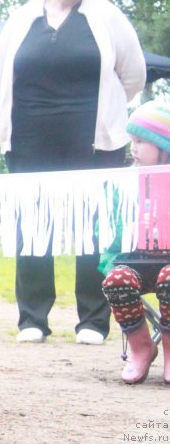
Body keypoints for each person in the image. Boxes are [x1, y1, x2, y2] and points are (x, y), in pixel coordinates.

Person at [0, 0, 146, 345]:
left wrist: (108, 110)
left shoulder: (107, 16)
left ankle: (93, 322)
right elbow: (0, 75)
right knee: (31, 227)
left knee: (93, 229)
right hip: (28, 139)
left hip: (94, 143)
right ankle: (32, 319)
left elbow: (133, 76)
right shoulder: (23, 17)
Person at [100, 99, 170, 384]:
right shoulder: (123, 186)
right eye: (132, 140)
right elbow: (110, 235)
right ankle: (141, 348)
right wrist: (109, 263)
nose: (133, 148)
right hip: (136, 263)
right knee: (117, 279)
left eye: (141, 141)